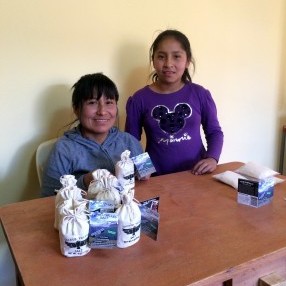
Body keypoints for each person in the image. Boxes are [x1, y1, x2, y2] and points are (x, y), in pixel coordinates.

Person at [125, 29, 223, 176]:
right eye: (161, 57)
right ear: (153, 60)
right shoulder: (140, 99)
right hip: (157, 178)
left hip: (196, 175)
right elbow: (130, 142)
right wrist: (144, 171)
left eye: (176, 56)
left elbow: (214, 132)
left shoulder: (200, 94)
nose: (168, 63)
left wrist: (212, 158)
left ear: (187, 61)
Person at [41, 73, 146, 197]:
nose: (102, 111)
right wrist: (85, 181)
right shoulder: (63, 148)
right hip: (84, 214)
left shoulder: (129, 141)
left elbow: (148, 177)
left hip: (126, 211)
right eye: (92, 103)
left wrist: (143, 171)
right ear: (76, 109)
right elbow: (49, 196)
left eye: (109, 102)